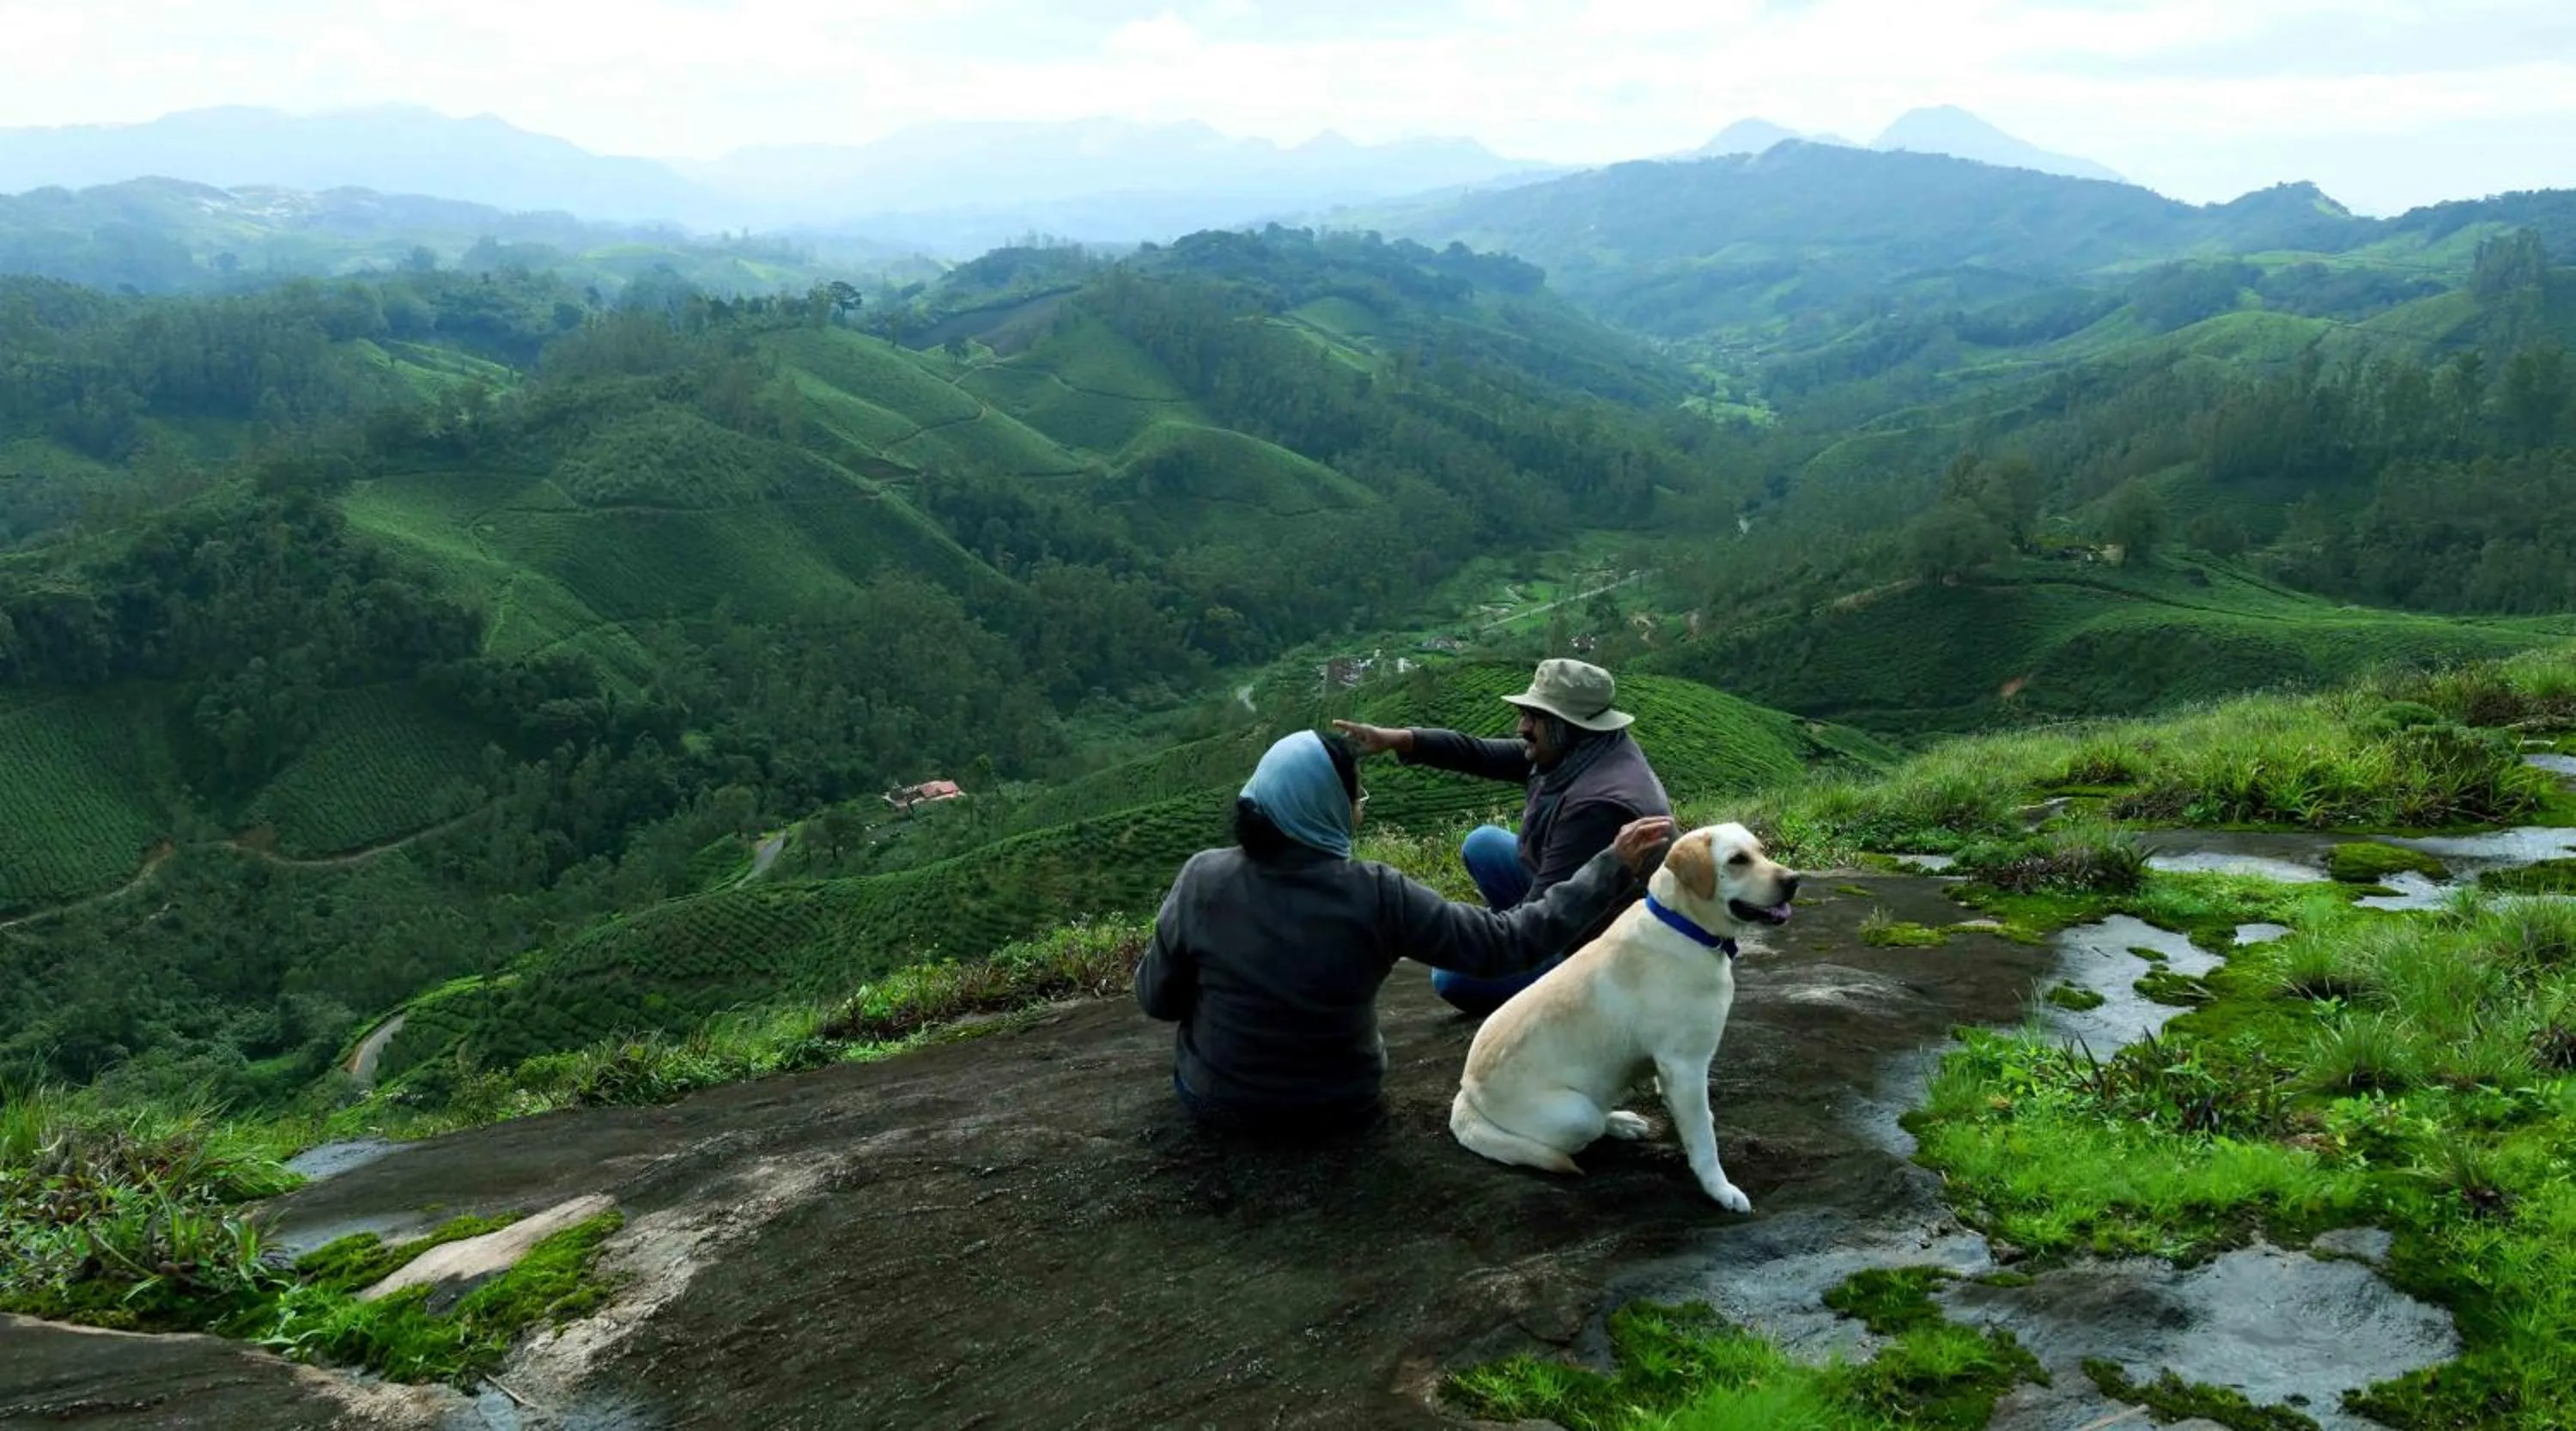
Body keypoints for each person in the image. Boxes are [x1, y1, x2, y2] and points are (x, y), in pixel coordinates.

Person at [1133, 728, 1674, 1136]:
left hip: (1215, 1102)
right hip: (1339, 1106)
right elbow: (1506, 943)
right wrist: (1609, 867)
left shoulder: (1202, 878)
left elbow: (1157, 999)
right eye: (1357, 798)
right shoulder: (1376, 893)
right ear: (1328, 808)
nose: (1360, 807)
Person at [1333, 658, 1672, 1017]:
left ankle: (1580, 984)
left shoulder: (1598, 806)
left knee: (1451, 979)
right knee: (1483, 844)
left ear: (1568, 727)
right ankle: (1510, 928)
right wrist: (1398, 740)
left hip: (1601, 936)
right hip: (1584, 892)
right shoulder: (1585, 748)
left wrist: (1494, 939)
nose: (1521, 726)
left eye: (1533, 718)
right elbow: (1481, 753)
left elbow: (1549, 923)